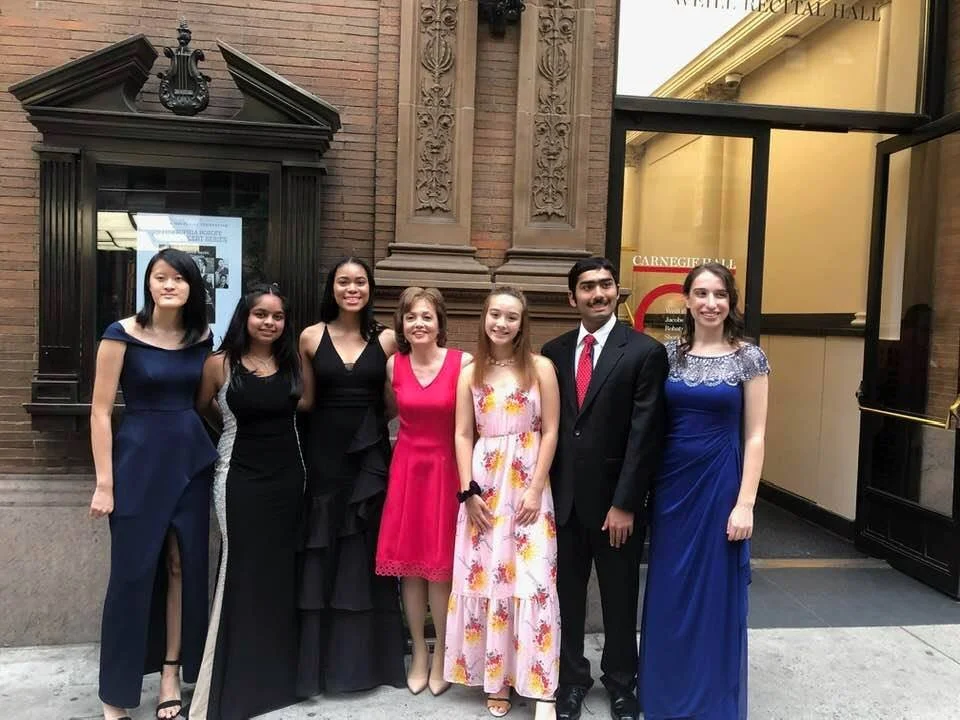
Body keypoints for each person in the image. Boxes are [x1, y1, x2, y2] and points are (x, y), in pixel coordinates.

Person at [89, 248, 217, 720]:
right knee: (131, 574)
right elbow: (100, 411)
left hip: (190, 460)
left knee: (185, 567)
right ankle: (115, 694)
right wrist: (105, 483)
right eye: (160, 277)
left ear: (190, 288)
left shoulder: (201, 337)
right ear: (148, 283)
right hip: (138, 462)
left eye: (178, 279)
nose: (168, 285)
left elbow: (207, 401)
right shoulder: (120, 334)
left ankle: (171, 675)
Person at [639, 263, 769, 720]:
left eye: (719, 294)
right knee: (670, 590)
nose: (710, 303)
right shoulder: (667, 355)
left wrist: (746, 503)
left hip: (721, 487)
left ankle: (712, 701)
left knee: (715, 593)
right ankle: (664, 697)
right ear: (687, 300)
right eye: (701, 293)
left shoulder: (749, 358)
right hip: (672, 488)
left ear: (731, 301)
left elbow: (755, 435)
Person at [541, 257, 668, 720]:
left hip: (618, 507)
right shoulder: (552, 353)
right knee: (567, 599)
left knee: (619, 600)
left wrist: (626, 503)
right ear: (571, 296)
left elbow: (644, 434)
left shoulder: (644, 351)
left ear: (617, 291)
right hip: (564, 502)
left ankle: (620, 684)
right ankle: (571, 681)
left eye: (606, 285)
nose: (598, 293)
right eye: (588, 287)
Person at [444, 286, 561, 720]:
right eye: (495, 314)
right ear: (484, 317)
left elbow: (551, 430)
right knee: (489, 579)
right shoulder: (470, 372)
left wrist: (535, 487)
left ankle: (541, 684)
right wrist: (467, 491)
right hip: (485, 485)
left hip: (529, 484)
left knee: (532, 578)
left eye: (511, 317)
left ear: (522, 323)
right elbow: (461, 434)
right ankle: (497, 680)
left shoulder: (541, 368)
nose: (502, 323)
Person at [190, 284, 306, 719]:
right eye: (261, 314)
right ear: (245, 316)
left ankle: (275, 680)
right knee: (239, 569)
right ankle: (228, 687)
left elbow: (305, 404)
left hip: (288, 479)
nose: (269, 322)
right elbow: (204, 408)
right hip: (238, 478)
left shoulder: (291, 363)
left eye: (277, 316)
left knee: (278, 574)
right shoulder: (218, 365)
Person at [296, 257, 407, 695]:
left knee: (365, 550)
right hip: (323, 456)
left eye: (360, 282)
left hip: (370, 459)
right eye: (344, 282)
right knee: (323, 551)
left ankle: (369, 664)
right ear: (332, 288)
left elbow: (394, 401)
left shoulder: (389, 340)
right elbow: (305, 401)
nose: (352, 289)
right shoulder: (309, 336)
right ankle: (319, 668)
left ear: (370, 288)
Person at [375, 287, 472, 696]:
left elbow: (471, 426)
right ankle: (418, 650)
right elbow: (387, 413)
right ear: (402, 323)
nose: (419, 324)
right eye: (411, 316)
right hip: (408, 471)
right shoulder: (393, 366)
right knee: (411, 568)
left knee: (441, 568)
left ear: (440, 323)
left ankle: (443, 653)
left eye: (427, 317)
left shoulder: (462, 363)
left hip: (447, 470)